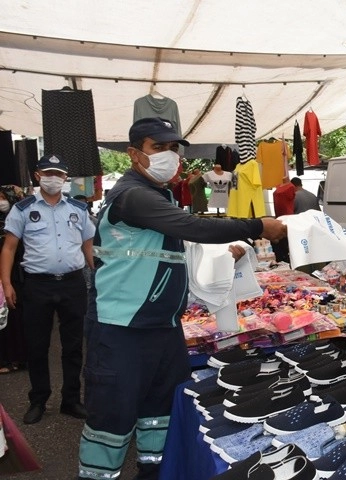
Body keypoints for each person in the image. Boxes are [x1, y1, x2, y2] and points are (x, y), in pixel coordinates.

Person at [77, 117, 286, 480]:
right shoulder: (132, 196)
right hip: (120, 329)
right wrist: (256, 225)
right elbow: (193, 228)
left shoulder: (162, 196)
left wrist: (226, 254)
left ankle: (154, 473)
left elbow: (181, 248)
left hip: (163, 329)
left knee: (159, 413)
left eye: (173, 148)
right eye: (158, 148)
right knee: (112, 418)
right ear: (133, 154)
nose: (170, 155)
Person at [1, 156, 95, 425]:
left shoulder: (78, 208)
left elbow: (88, 246)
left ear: (65, 178)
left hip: (73, 283)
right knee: (37, 346)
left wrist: (99, 275)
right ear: (37, 175)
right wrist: (6, 284)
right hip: (37, 286)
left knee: (74, 345)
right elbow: (8, 248)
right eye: (48, 172)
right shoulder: (22, 208)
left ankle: (71, 400)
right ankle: (38, 400)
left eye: (59, 174)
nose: (54, 178)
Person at [0, 185, 29, 376]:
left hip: (16, 277)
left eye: (2, 197)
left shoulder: (20, 220)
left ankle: (17, 359)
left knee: (14, 319)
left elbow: (15, 250)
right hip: (5, 278)